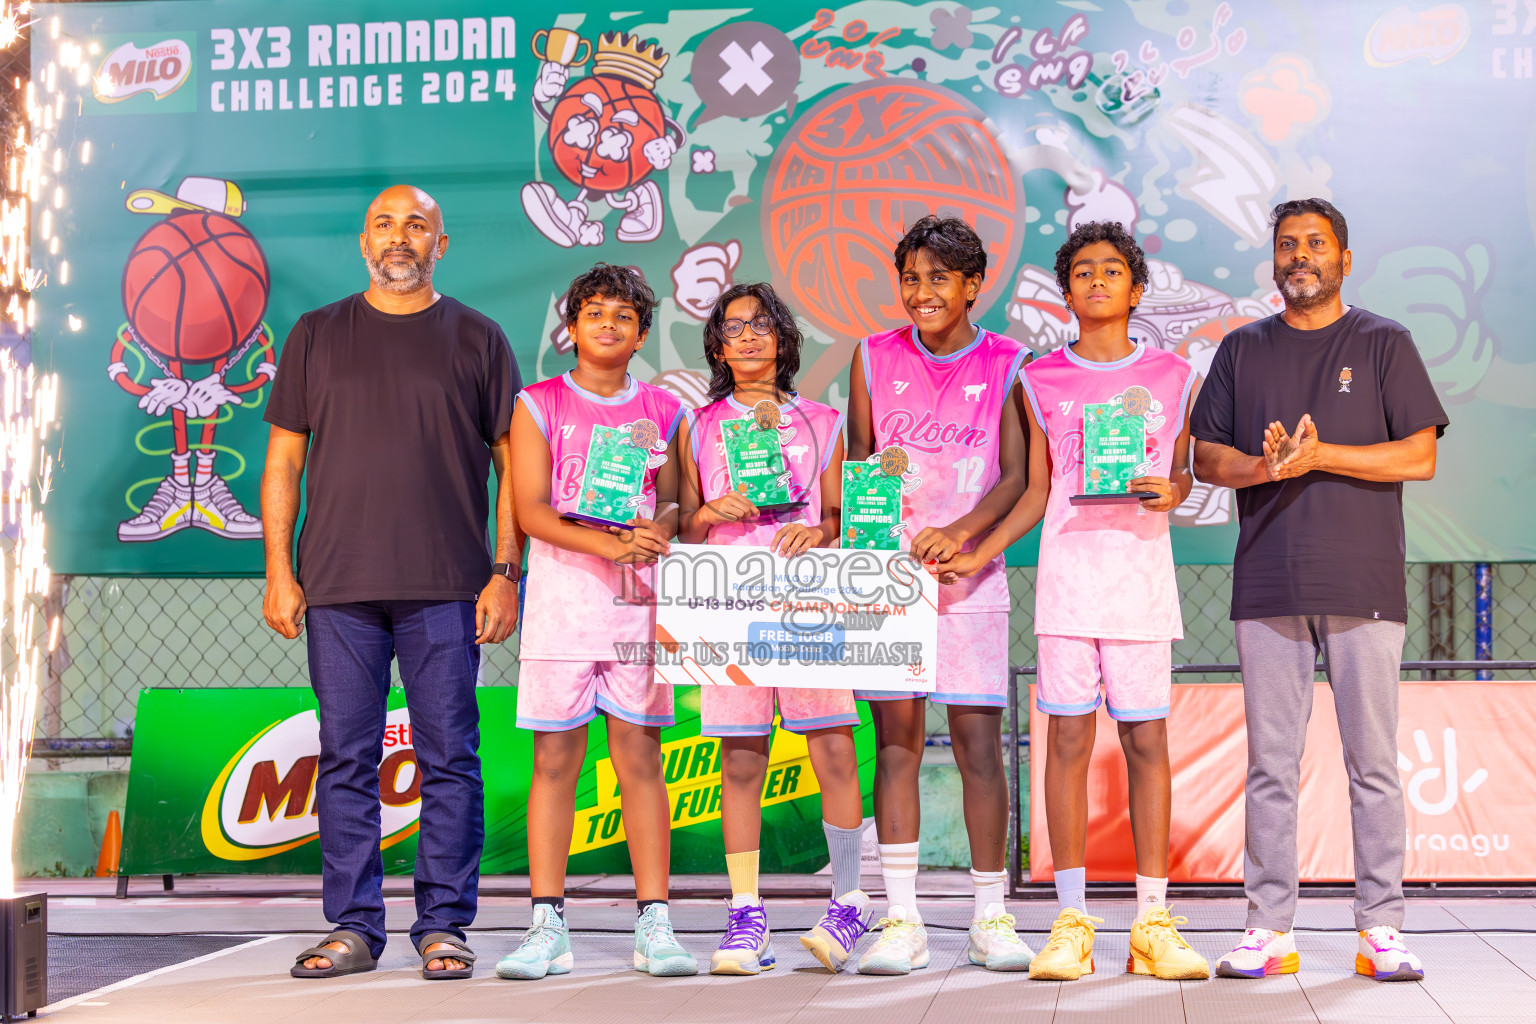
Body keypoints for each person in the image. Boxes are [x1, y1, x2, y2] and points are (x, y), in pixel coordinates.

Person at [938, 221, 1210, 981]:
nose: (1097, 281)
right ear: (1065, 293)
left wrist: (1176, 489)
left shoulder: (1175, 376)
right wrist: (974, 552)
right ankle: (1071, 921)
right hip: (1066, 586)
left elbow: (1184, 475)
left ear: (1136, 287)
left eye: (1111, 270)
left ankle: (1153, 923)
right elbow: (1033, 492)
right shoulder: (1038, 379)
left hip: (1140, 585)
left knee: (1147, 743)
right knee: (1065, 745)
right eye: (1082, 272)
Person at [262, 185, 521, 980]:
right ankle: (353, 926)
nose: (399, 238)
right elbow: (283, 463)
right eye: (384, 224)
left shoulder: (478, 338)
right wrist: (279, 569)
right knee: (344, 755)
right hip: (338, 586)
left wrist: (505, 572)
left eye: (417, 225)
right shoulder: (315, 334)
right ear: (363, 243)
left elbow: (515, 467)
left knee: (450, 755)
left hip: (449, 583)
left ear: (442, 244)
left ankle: (444, 923)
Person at [1190, 198, 1447, 982]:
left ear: (1343, 257)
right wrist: (1267, 467)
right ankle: (1268, 927)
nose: (1301, 256)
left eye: (1316, 245)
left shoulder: (1383, 343)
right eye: (1288, 245)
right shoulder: (1240, 350)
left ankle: (1382, 929)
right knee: (1271, 764)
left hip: (1363, 582)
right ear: (1274, 260)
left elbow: (1417, 457)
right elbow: (1206, 458)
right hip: (1268, 583)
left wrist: (1320, 454)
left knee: (1372, 763)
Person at [497, 264, 697, 980]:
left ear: (643, 333)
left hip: (637, 611)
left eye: (623, 316)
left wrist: (660, 528)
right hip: (559, 609)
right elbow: (532, 512)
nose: (608, 325)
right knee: (554, 764)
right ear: (571, 325)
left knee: (641, 761)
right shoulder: (538, 403)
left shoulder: (666, 412)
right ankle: (547, 924)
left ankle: (656, 924)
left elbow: (675, 500)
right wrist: (612, 540)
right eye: (594, 313)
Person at [846, 216, 1034, 975]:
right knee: (894, 744)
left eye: (940, 279)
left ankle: (991, 916)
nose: (923, 293)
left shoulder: (1010, 363)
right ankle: (902, 919)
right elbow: (860, 464)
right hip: (891, 584)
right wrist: (877, 546)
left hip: (969, 579)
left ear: (973, 285)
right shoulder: (872, 356)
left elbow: (1018, 477)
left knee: (978, 748)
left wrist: (961, 534)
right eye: (912, 278)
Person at [676, 283, 870, 975]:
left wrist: (819, 532)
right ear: (718, 347)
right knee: (740, 759)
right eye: (734, 328)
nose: (749, 337)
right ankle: (745, 914)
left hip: (809, 602)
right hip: (731, 603)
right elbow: (683, 521)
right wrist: (708, 514)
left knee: (834, 750)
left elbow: (841, 515)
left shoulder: (821, 419)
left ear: (784, 339)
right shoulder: (695, 425)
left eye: (761, 325)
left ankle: (848, 902)